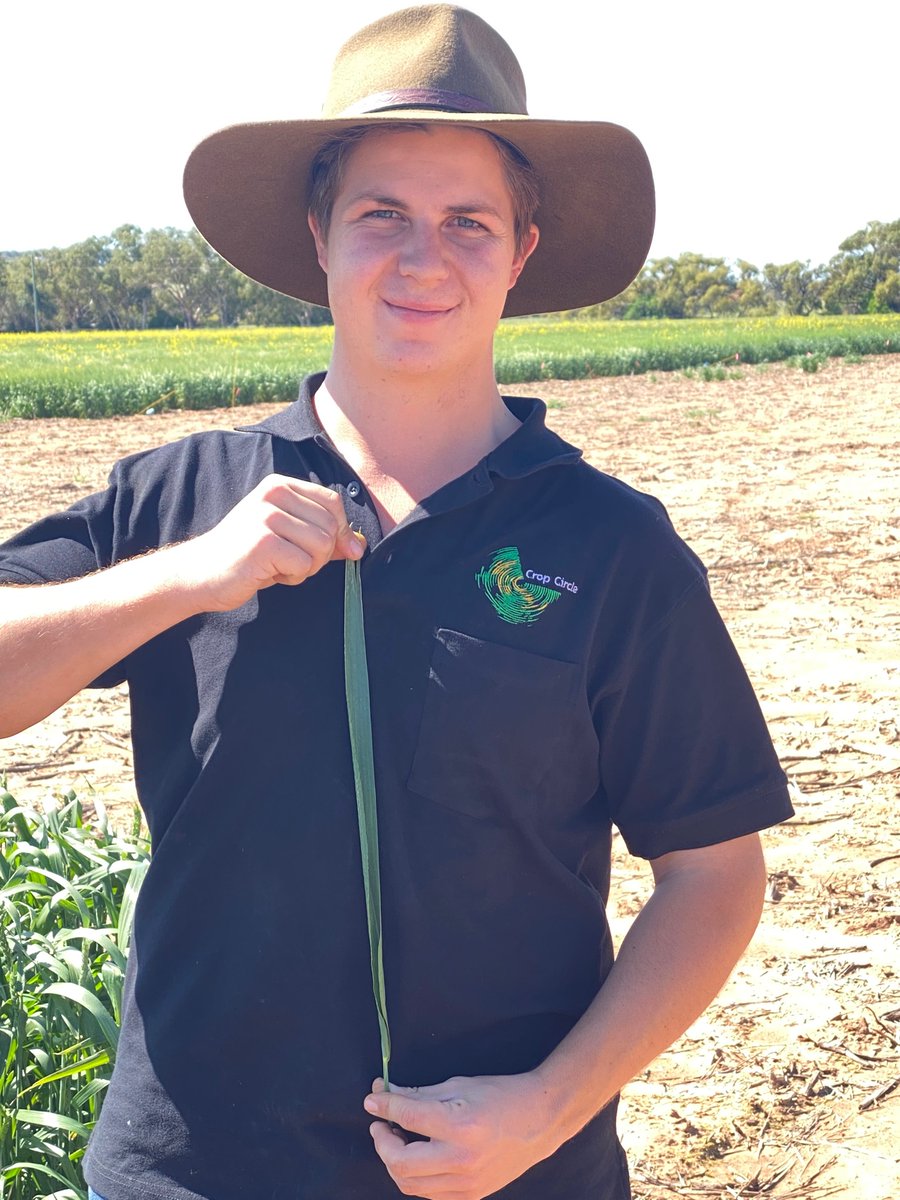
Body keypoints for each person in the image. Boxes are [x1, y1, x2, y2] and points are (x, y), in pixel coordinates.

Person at [0, 5, 793, 1198]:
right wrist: (188, 575)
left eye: (467, 223)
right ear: (318, 233)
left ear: (521, 252)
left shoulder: (610, 546)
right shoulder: (181, 497)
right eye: (382, 215)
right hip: (189, 1171)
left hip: (513, 1173)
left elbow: (715, 874)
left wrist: (545, 1110)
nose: (423, 258)